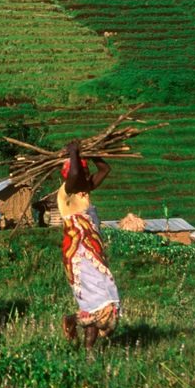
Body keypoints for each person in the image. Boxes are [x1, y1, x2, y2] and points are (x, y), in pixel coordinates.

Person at [57, 140, 120, 352]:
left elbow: (105, 169)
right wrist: (74, 152)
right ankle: (74, 324)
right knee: (97, 301)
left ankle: (88, 350)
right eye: (81, 173)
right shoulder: (65, 193)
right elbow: (74, 175)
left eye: (85, 174)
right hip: (79, 254)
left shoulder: (85, 191)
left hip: (94, 252)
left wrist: (93, 153)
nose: (84, 177)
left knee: (98, 301)